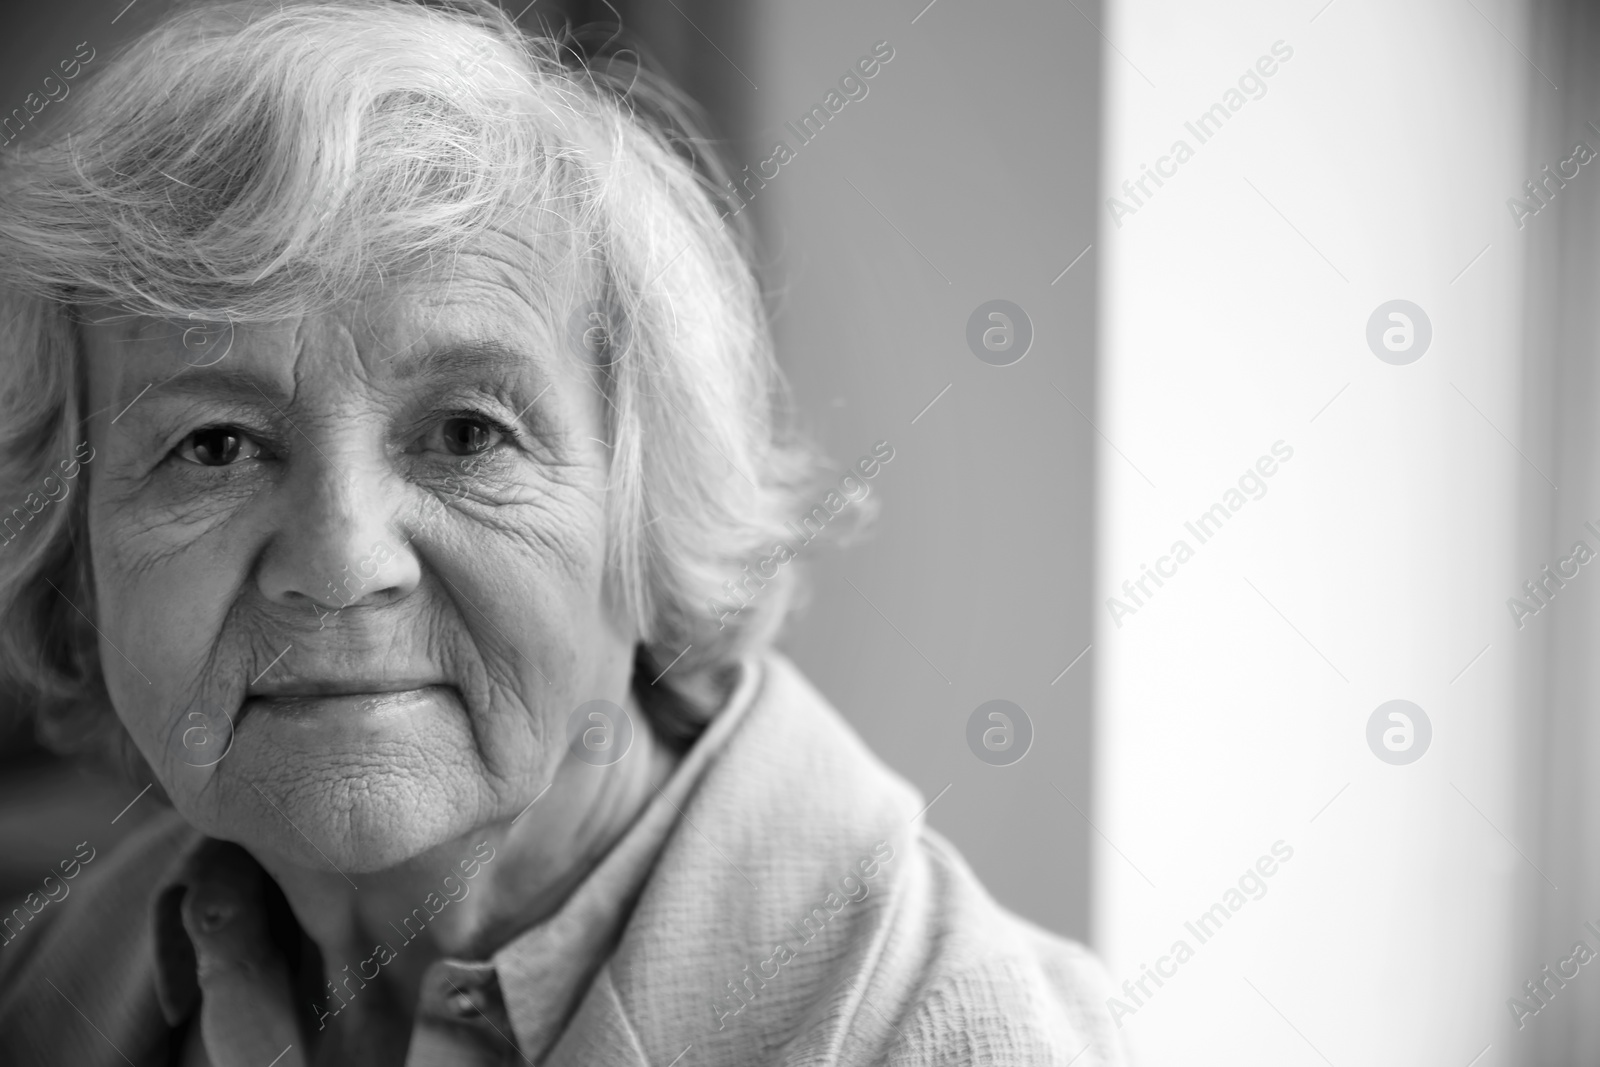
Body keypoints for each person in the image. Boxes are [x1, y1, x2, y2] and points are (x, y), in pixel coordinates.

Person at [0, 1, 1126, 1062]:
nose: (341, 564)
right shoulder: (50, 975)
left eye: (466, 432)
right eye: (214, 446)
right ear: (76, 555)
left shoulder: (950, 1030)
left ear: (643, 516)